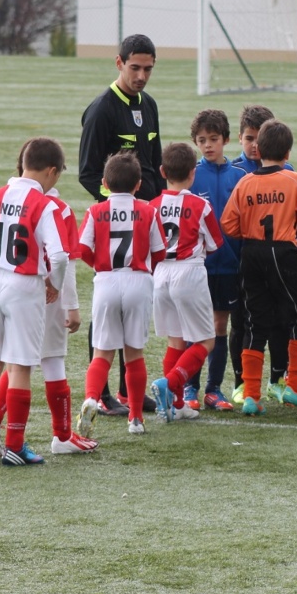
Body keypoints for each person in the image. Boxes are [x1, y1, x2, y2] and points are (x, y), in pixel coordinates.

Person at [0, 137, 69, 466]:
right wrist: (54, 285)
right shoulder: (44, 204)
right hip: (23, 284)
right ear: (51, 171)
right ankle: (14, 446)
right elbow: (59, 256)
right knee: (20, 365)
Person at [0, 141, 99, 457]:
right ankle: (61, 436)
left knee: (16, 364)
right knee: (52, 360)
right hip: (44, 292)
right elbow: (67, 261)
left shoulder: (7, 201)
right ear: (52, 172)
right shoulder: (57, 209)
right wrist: (72, 306)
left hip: (6, 289)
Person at [78, 33, 163, 416]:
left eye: (148, 69)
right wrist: (118, 207)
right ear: (119, 63)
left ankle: (131, 392)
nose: (141, 76)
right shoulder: (101, 110)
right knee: (107, 308)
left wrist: (157, 204)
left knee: (134, 309)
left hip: (146, 221)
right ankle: (102, 394)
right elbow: (87, 172)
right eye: (135, 68)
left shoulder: (151, 105)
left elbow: (155, 164)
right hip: (115, 225)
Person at [220, 119, 297, 415]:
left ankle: (251, 395)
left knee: (255, 321)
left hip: (251, 253)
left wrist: (250, 229)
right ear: (287, 153)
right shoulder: (293, 179)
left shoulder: (245, 182)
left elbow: (228, 224)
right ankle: (294, 386)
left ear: (259, 151)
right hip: (284, 252)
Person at [75, 152, 167, 437]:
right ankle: (136, 418)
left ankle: (92, 398)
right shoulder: (148, 211)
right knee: (134, 353)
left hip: (106, 280)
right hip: (138, 281)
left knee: (102, 352)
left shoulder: (95, 211)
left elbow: (82, 248)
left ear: (104, 183)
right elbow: (160, 251)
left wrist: (99, 265)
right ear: (138, 184)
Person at [149, 142, 223, 420]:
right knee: (206, 341)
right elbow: (215, 244)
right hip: (189, 272)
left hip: (161, 274)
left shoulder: (152, 207)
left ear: (162, 172)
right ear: (194, 172)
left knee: (175, 340)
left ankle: (176, 406)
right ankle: (170, 384)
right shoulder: (201, 205)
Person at [182, 109, 245, 411]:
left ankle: (214, 389)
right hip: (198, 267)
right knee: (195, 327)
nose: (208, 145)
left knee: (220, 325)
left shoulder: (240, 177)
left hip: (230, 265)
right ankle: (189, 387)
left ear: (226, 140)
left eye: (214, 139)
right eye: (202, 140)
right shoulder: (192, 176)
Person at [230, 104, 293, 403]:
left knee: (281, 321)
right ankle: (241, 382)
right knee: (242, 323)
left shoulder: (288, 173)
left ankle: (276, 380)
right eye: (249, 138)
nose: (255, 145)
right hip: (243, 262)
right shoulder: (233, 172)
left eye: (260, 138)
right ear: (239, 138)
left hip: (279, 263)